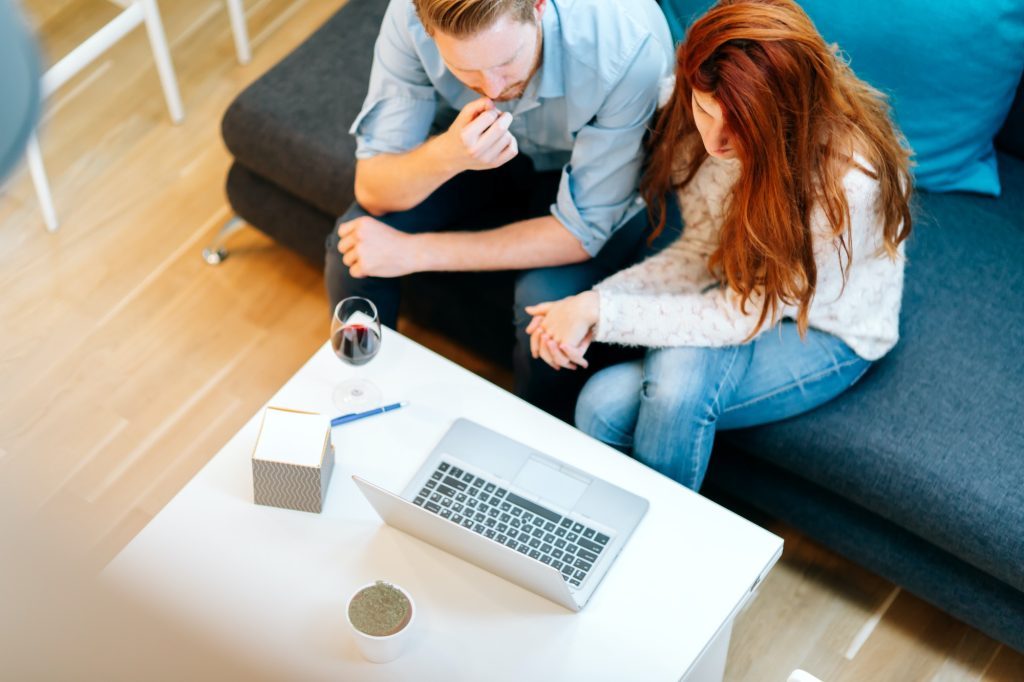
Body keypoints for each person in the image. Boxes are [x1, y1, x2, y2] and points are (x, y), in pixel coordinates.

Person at [525, 0, 913, 490]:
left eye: (740, 126)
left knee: (670, 389)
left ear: (786, 116)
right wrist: (594, 303)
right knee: (599, 407)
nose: (715, 141)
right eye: (706, 111)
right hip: (747, 287)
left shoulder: (846, 184)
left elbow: (746, 311)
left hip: (824, 325)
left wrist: (601, 313)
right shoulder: (693, 108)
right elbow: (702, 254)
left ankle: (661, 547)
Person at [324, 0, 674, 419]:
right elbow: (374, 187)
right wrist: (451, 154)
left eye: (506, 62)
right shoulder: (409, 14)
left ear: (539, 6)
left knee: (545, 312)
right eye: (466, 71)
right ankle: (365, 406)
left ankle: (534, 448)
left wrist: (414, 252)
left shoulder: (628, 46)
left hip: (585, 173)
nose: (492, 90)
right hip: (474, 149)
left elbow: (579, 232)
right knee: (356, 245)